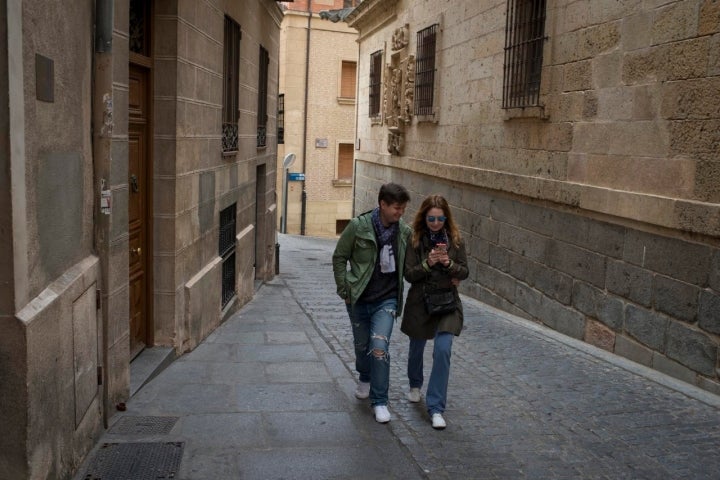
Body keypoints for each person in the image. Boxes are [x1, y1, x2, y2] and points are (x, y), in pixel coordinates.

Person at [332, 183, 412, 423]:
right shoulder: (359, 226)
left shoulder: (404, 233)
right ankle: (364, 376)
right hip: (358, 298)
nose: (400, 213)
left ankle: (380, 402)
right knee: (361, 346)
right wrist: (344, 288)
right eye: (397, 208)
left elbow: (412, 265)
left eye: (403, 208)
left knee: (379, 347)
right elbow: (339, 257)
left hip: (386, 301)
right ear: (383, 204)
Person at [401, 194, 469, 429]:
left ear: (446, 218)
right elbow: (408, 274)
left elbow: (464, 272)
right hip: (421, 301)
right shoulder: (415, 239)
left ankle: (436, 407)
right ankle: (415, 383)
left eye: (440, 219)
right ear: (424, 217)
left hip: (448, 302)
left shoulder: (456, 240)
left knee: (443, 350)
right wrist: (427, 264)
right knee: (416, 346)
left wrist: (449, 263)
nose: (436, 223)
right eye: (431, 218)